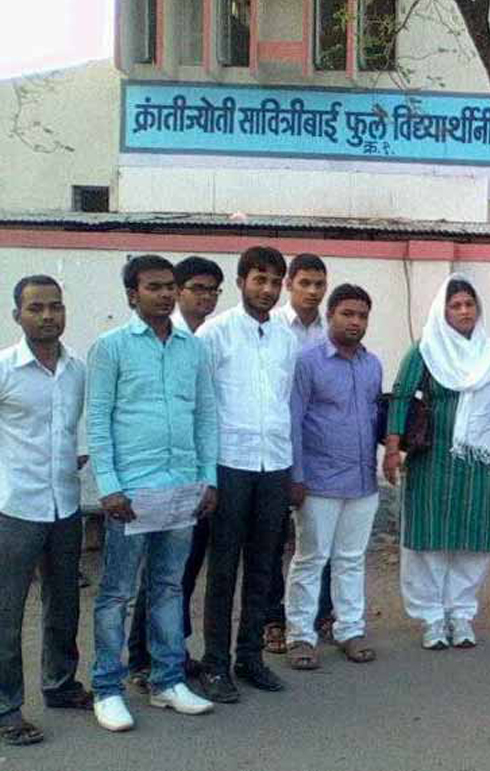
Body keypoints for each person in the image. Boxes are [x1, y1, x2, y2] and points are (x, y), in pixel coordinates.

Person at [87, 255, 217, 731]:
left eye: (170, 286)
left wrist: (208, 479)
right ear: (132, 295)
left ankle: (167, 681)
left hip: (180, 488)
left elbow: (205, 415)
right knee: (117, 593)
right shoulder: (111, 347)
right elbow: (98, 420)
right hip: (131, 493)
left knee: (168, 588)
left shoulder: (192, 349)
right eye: (154, 286)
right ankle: (107, 688)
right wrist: (109, 486)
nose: (164, 294)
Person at [384, 274, 490, 650]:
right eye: (455, 305)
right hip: (433, 456)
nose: (463, 311)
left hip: (480, 463)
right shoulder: (425, 350)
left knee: (475, 538)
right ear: (443, 311)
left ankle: (461, 614)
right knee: (429, 537)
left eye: (469, 304)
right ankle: (430, 617)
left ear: (478, 309)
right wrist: (393, 447)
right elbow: (400, 397)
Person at [198, 246, 298, 702]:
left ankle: (250, 657)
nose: (268, 289)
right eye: (260, 279)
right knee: (222, 569)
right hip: (230, 463)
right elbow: (201, 408)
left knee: (263, 565)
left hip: (273, 464)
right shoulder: (214, 335)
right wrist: (207, 475)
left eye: (276, 281)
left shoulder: (286, 338)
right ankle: (215, 664)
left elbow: (284, 403)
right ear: (240, 283)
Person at [0, 276, 92, 746]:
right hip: (14, 506)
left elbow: (80, 423)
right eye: (36, 308)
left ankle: (60, 684)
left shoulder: (75, 367)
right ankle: (6, 708)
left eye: (55, 306)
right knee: (7, 610)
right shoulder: (4, 369)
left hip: (65, 504)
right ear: (18, 315)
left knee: (64, 601)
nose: (47, 316)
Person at [127, 255, 224, 688]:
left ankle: (171, 649)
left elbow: (205, 412)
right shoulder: (158, 338)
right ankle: (142, 655)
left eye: (212, 290)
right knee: (158, 571)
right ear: (176, 291)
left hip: (193, 471)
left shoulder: (211, 339)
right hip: (151, 473)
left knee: (183, 567)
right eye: (195, 288)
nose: (204, 297)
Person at [285, 285, 384, 670]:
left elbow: (374, 416)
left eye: (362, 315)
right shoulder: (307, 362)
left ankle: (349, 629)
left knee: (351, 559)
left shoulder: (372, 364)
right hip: (319, 480)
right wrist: (295, 476)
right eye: (347, 314)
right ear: (330, 316)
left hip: (362, 481)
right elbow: (293, 420)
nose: (355, 322)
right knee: (311, 559)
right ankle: (300, 636)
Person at [268, 253, 331, 653]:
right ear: (289, 283)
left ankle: (320, 615)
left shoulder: (331, 331)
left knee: (317, 539)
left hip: (319, 451)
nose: (312, 291)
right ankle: (273, 620)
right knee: (272, 540)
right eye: (304, 283)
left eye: (319, 284)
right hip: (273, 447)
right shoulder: (270, 326)